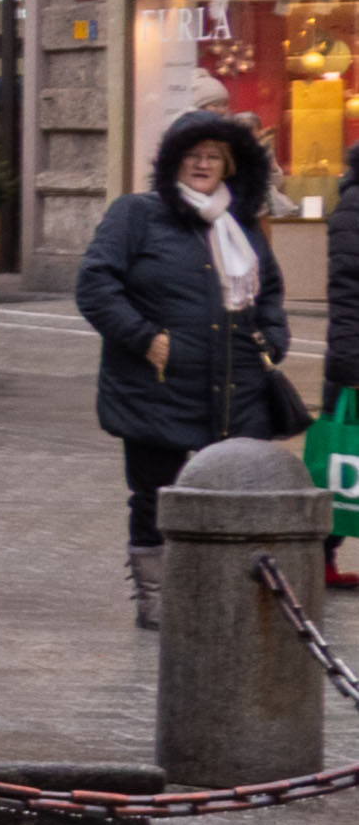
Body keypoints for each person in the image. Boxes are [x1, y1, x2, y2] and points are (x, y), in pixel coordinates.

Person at [79, 110, 302, 630]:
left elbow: (268, 292)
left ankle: (226, 585)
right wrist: (145, 337)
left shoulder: (240, 224)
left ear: (229, 165)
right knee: (154, 492)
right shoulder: (136, 214)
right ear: (174, 161)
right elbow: (95, 285)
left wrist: (273, 338)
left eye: (214, 156)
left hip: (237, 385)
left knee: (234, 488)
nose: (203, 164)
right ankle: (156, 595)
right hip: (155, 384)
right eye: (193, 155)